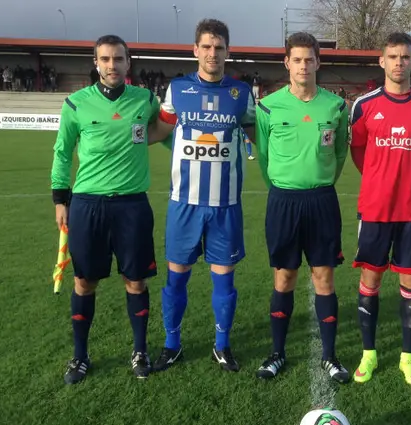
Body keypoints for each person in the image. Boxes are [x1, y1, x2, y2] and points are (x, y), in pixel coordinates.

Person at [147, 19, 255, 373]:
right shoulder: (177, 89)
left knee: (224, 279)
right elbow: (159, 130)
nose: (212, 53)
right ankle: (172, 345)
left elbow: (258, 135)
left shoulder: (241, 93)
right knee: (176, 278)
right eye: (206, 47)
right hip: (185, 204)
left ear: (227, 51)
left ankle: (222, 346)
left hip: (225, 205)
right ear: (195, 50)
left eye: (219, 47)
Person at [51, 34, 160, 384]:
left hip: (132, 205)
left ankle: (140, 350)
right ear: (95, 63)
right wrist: (59, 199)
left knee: (136, 280)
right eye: (106, 59)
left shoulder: (145, 99)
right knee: (85, 281)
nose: (112, 65)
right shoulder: (76, 104)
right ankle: (80, 357)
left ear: (129, 63)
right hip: (88, 205)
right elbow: (62, 152)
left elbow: (168, 131)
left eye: (119, 59)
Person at [348, 32, 411, 388]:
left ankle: (408, 357)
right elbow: (359, 152)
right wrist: (379, 178)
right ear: (382, 61)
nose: (399, 63)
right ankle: (368, 354)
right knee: (370, 280)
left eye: (405, 57)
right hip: (374, 209)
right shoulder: (364, 105)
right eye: (392, 56)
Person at [254, 31, 351, 383]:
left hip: (322, 200)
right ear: (287, 63)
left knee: (324, 277)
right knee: (285, 277)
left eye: (309, 59)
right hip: (283, 201)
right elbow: (263, 157)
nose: (303, 65)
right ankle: (277, 353)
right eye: (297, 59)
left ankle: (330, 356)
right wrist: (282, 187)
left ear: (318, 63)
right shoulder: (268, 106)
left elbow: (339, 153)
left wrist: (320, 182)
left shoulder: (336, 106)